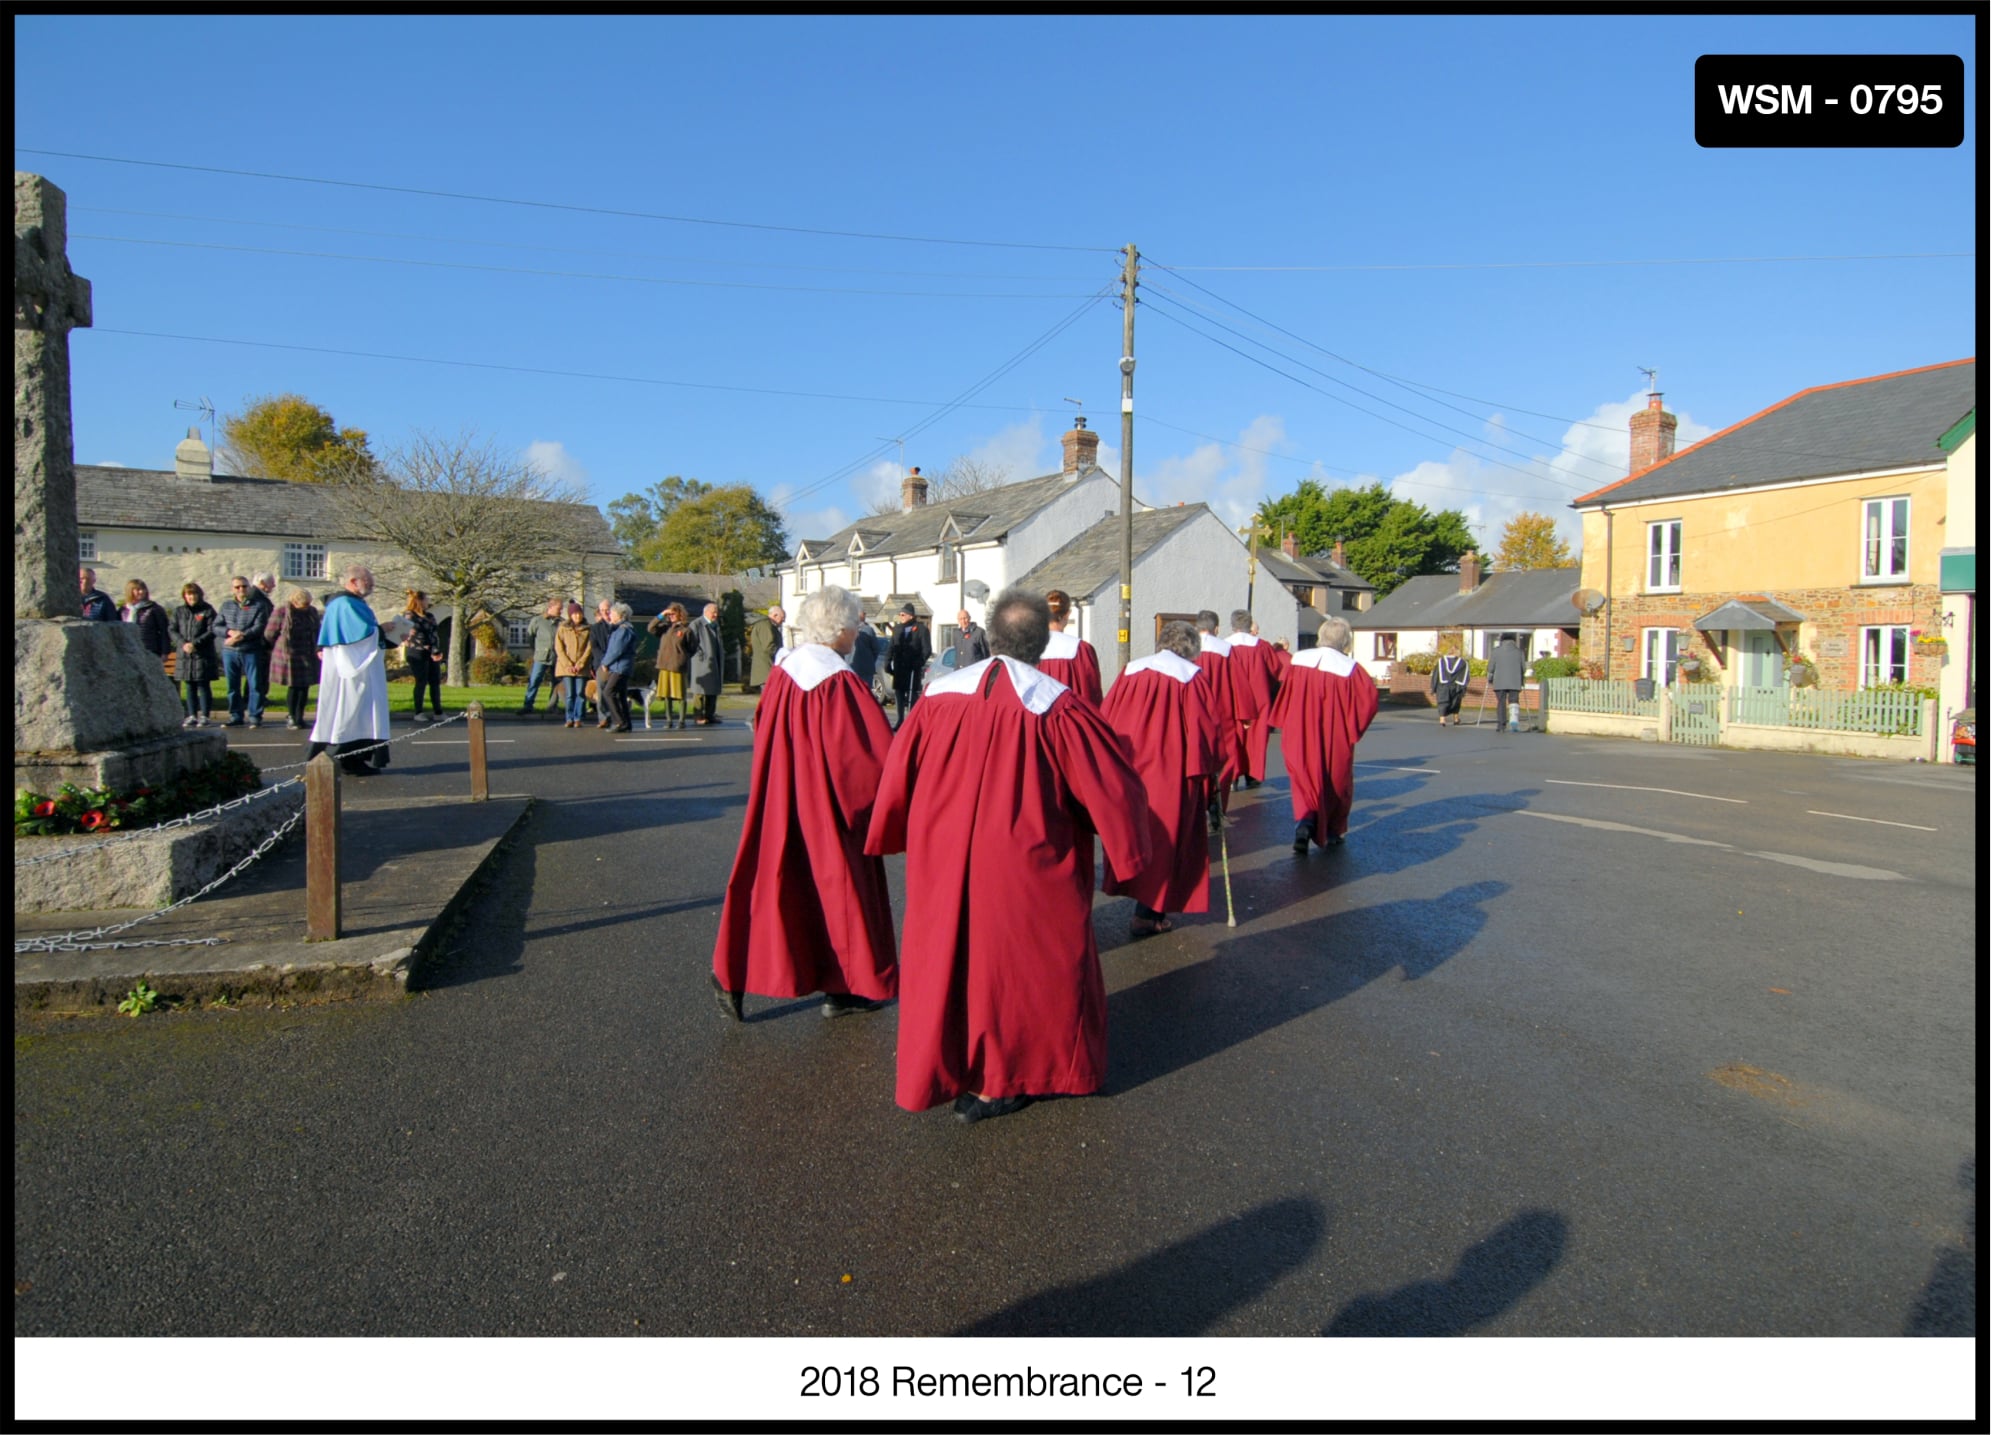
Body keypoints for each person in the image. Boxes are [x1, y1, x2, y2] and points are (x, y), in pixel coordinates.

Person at [865, 585, 1151, 1125]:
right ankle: (1007, 1077)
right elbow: (1111, 789)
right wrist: (1129, 849)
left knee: (953, 959)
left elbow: (898, 775)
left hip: (945, 855)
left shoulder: (938, 698)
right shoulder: (1057, 706)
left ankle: (956, 1066)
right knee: (1024, 969)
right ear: (1041, 644)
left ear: (989, 636)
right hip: (1027, 859)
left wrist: (896, 831)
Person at [711, 585, 899, 1022]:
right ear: (838, 629)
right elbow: (864, 758)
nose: (856, 635)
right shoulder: (838, 683)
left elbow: (763, 726)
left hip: (779, 798)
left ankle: (733, 973)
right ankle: (845, 987)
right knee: (840, 892)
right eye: (853, 627)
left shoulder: (784, 672)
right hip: (826, 807)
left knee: (770, 886)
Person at [1101, 620, 1221, 937]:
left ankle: (1138, 901)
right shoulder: (1193, 679)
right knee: (1166, 842)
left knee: (1133, 834)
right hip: (1170, 773)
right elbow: (1205, 733)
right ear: (1192, 650)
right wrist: (1212, 769)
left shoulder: (1131, 671)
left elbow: (1107, 717)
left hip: (1130, 768)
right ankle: (1148, 912)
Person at [1268, 616, 1380, 855]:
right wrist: (1352, 728)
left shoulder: (1299, 661)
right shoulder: (1351, 670)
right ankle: (1332, 829)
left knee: (1303, 779)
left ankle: (1305, 822)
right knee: (1336, 782)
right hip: (1334, 735)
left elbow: (1284, 693)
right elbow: (1368, 703)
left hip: (1299, 732)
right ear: (1345, 641)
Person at [308, 565, 395, 777]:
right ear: (354, 581)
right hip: (352, 670)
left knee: (359, 711)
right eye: (368, 581)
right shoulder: (345, 604)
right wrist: (382, 630)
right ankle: (344, 757)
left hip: (358, 666)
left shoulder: (350, 603)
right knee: (352, 710)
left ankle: (353, 758)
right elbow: (360, 637)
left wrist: (388, 638)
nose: (372, 585)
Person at [1225, 608, 1285, 789]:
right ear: (1249, 624)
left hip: (1234, 697)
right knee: (1256, 739)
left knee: (1234, 736)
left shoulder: (1224, 646)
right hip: (1258, 699)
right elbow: (1275, 669)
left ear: (1232, 625)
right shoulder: (1262, 646)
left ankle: (1233, 775)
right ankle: (1252, 775)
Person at [1193, 610, 1241, 825]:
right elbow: (1238, 683)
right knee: (1225, 757)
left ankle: (1197, 803)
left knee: (1195, 757)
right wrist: (1246, 714)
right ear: (1217, 628)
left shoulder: (1187, 647)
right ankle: (1217, 802)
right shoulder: (1225, 649)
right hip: (1221, 712)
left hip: (1193, 711)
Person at [216, 575, 273, 728]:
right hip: (230, 650)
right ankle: (235, 715)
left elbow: (260, 626)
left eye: (244, 586)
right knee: (232, 686)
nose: (241, 589)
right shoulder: (226, 605)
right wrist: (229, 633)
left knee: (255, 685)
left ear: (249, 587)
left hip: (251, 650)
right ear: (232, 589)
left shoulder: (259, 605)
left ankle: (255, 716)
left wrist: (241, 635)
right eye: (237, 587)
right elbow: (216, 626)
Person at [1037, 589, 1103, 707]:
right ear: (1068, 613)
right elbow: (1092, 692)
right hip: (1069, 718)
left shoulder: (1028, 648)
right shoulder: (1080, 649)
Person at [267, 588, 322, 730]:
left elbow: (318, 630)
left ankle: (300, 717)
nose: (306, 607)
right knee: (294, 687)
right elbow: (269, 633)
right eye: (303, 604)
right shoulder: (282, 612)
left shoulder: (312, 612)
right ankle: (292, 716)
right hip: (289, 655)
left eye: (308, 604)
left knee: (304, 687)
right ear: (294, 601)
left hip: (308, 653)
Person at [170, 582, 220, 727]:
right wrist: (182, 643)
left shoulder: (208, 610)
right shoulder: (179, 611)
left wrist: (195, 644)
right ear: (184, 596)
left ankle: (205, 715)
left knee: (203, 684)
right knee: (189, 685)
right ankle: (192, 715)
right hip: (185, 653)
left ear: (199, 595)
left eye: (194, 594)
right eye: (188, 594)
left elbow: (212, 630)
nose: (191, 597)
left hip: (202, 654)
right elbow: (172, 629)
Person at [648, 602, 694, 729]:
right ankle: (668, 720)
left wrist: (682, 657)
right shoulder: (665, 628)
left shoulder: (686, 630)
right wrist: (662, 615)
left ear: (680, 614)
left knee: (680, 695)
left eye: (674, 613)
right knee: (666, 694)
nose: (672, 616)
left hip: (678, 666)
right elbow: (651, 628)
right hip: (664, 665)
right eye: (670, 614)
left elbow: (692, 647)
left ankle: (681, 720)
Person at [885, 602, 931, 726]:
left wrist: (919, 662)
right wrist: (887, 662)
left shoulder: (921, 629)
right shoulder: (898, 629)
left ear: (911, 616)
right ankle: (900, 719)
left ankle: (913, 721)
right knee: (899, 693)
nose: (901, 616)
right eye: (900, 614)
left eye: (903, 614)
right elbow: (891, 647)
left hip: (912, 668)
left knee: (912, 694)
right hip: (900, 667)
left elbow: (927, 650)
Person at [402, 591, 444, 721]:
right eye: (426, 599)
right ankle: (418, 712)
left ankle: (438, 711)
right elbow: (416, 635)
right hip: (417, 652)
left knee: (435, 681)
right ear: (419, 601)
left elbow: (434, 634)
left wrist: (436, 650)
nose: (428, 602)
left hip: (431, 652)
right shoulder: (409, 616)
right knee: (421, 681)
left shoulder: (430, 616)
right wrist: (427, 647)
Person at [521, 597, 565, 717]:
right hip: (541, 657)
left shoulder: (561, 622)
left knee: (556, 683)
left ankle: (552, 706)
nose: (560, 611)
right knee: (534, 681)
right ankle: (528, 705)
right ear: (550, 607)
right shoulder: (538, 621)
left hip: (556, 658)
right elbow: (530, 638)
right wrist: (538, 650)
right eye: (559, 609)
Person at [554, 601, 594, 728]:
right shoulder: (563, 628)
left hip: (581, 667)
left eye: (579, 613)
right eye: (575, 614)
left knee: (580, 694)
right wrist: (568, 664)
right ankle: (569, 718)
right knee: (570, 694)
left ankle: (578, 718)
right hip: (566, 667)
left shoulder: (588, 629)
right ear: (570, 615)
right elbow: (559, 647)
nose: (577, 616)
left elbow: (589, 647)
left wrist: (581, 663)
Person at [599, 601, 637, 732]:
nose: (610, 615)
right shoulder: (618, 629)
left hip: (621, 667)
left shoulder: (623, 630)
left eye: (613, 613)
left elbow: (616, 649)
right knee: (620, 695)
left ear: (620, 615)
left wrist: (605, 662)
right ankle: (626, 723)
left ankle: (619, 722)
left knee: (608, 692)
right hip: (619, 666)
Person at [687, 600, 725, 725]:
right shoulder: (696, 624)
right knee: (700, 691)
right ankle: (698, 716)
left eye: (716, 613)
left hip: (715, 660)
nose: (715, 615)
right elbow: (692, 643)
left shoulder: (715, 625)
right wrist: (700, 655)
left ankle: (710, 715)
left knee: (713, 690)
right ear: (706, 612)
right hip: (701, 662)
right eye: (713, 613)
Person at [120, 579, 173, 665]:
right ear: (130, 591)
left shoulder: (154, 609)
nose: (141, 592)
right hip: (128, 650)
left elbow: (164, 631)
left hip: (149, 649)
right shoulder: (123, 610)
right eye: (138, 590)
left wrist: (165, 652)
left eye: (143, 589)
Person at [252, 571, 279, 714]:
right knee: (259, 673)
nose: (274, 585)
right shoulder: (259, 600)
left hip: (260, 642)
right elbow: (264, 623)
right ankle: (258, 698)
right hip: (260, 642)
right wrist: (268, 643)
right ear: (262, 583)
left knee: (260, 673)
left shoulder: (260, 598)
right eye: (271, 582)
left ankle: (260, 696)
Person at [1488, 634, 1527, 733]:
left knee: (1501, 702)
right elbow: (1524, 668)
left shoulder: (1495, 651)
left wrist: (1490, 677)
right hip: (1515, 680)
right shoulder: (1519, 652)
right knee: (1513, 701)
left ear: (1502, 640)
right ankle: (1514, 721)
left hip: (1499, 681)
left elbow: (1490, 668)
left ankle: (1501, 725)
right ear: (1514, 640)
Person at [748, 605, 786, 690]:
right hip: (767, 670)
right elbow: (768, 647)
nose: (784, 620)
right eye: (782, 617)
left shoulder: (767, 625)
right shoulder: (765, 625)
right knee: (771, 700)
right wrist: (783, 655)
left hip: (767, 669)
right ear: (775, 615)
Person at [1431, 649, 1471, 726]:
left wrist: (1434, 687)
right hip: (1456, 686)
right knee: (1455, 702)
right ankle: (1456, 719)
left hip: (1443, 685)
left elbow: (1436, 675)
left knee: (1443, 702)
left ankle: (1442, 720)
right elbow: (1466, 677)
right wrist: (1463, 688)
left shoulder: (1441, 661)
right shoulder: (1463, 663)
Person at [847, 615, 882, 695]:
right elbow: (876, 649)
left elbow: (876, 649)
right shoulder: (867, 630)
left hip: (858, 669)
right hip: (858, 669)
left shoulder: (868, 630)